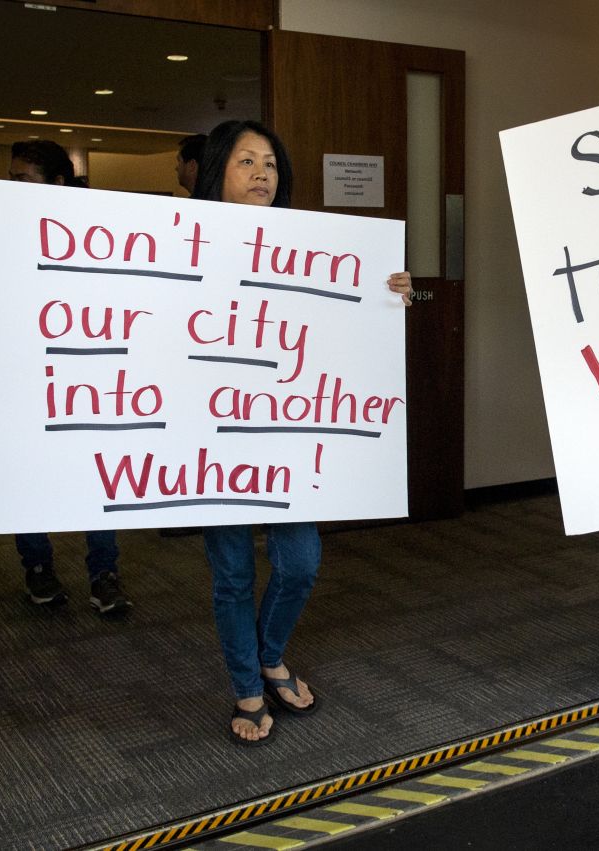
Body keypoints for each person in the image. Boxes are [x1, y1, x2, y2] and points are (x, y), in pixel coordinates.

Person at [191, 119, 413, 745]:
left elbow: (347, 324)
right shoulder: (178, 241)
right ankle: (247, 684)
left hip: (285, 433)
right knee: (233, 573)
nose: (263, 173)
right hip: (210, 435)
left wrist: (400, 296)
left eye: (271, 163)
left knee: (300, 564)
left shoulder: (310, 245)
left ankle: (268, 652)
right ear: (218, 170)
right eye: (246, 161)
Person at [5, 139, 128, 615]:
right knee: (29, 470)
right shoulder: (4, 234)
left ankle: (104, 571)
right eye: (11, 179)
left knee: (96, 473)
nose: (13, 189)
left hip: (90, 373)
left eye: (24, 180)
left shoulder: (98, 233)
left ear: (58, 183)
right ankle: (37, 567)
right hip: (26, 372)